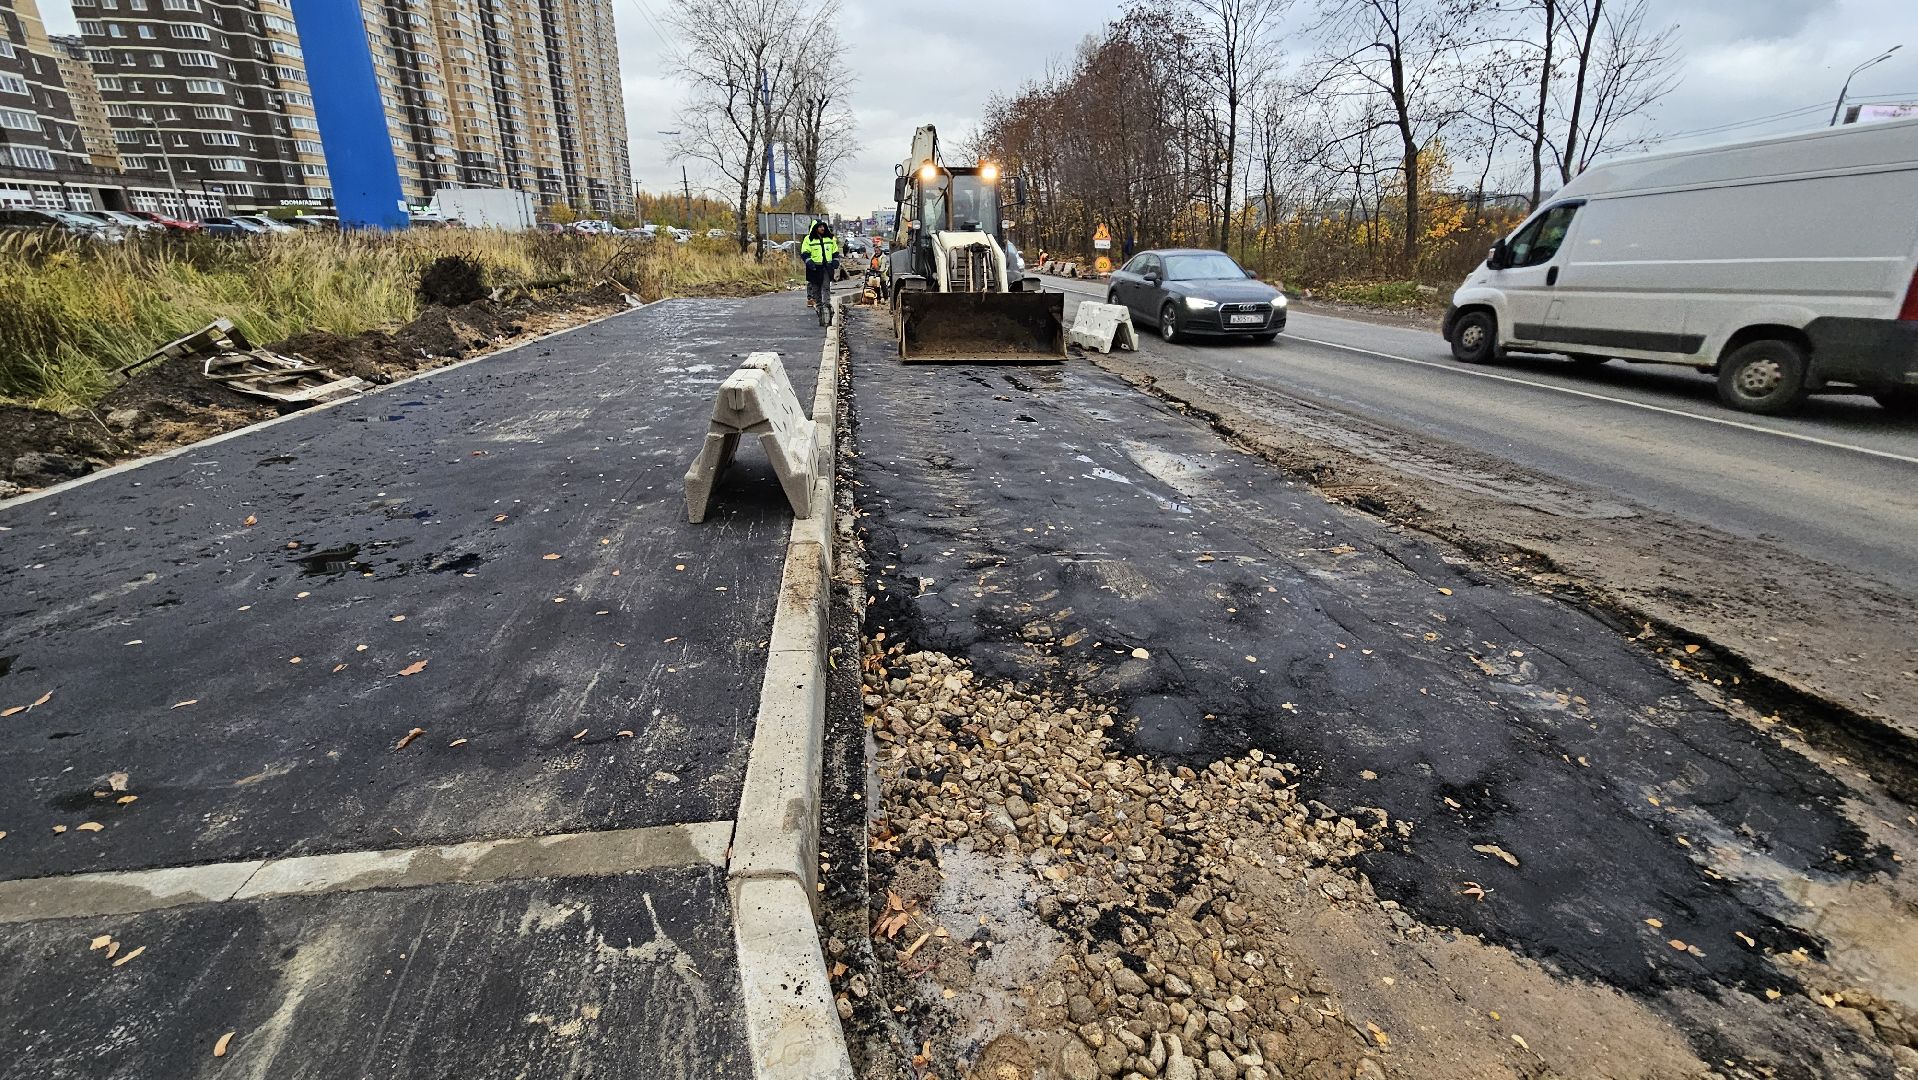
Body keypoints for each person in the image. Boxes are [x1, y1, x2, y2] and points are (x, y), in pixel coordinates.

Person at [799, 220, 840, 327]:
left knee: (826, 287)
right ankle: (820, 308)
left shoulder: (830, 238)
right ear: (815, 228)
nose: (822, 228)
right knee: (816, 289)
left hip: (826, 267)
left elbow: (835, 251)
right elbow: (804, 253)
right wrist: (809, 262)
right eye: (820, 227)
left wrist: (835, 260)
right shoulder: (808, 239)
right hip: (814, 268)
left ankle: (827, 307)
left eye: (823, 226)